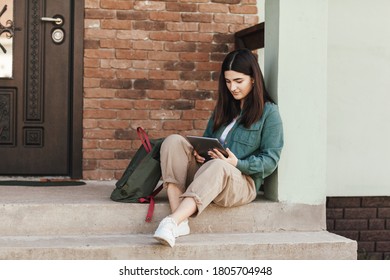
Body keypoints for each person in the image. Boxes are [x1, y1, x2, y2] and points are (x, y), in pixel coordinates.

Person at [153, 48, 284, 247]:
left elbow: (271, 160)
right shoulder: (224, 108)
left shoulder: (269, 113)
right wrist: (200, 154)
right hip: (209, 172)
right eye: (228, 81)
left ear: (254, 79)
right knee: (172, 141)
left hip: (241, 181)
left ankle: (171, 221)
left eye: (239, 81)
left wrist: (237, 163)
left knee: (220, 166)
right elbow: (205, 141)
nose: (233, 88)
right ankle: (180, 221)